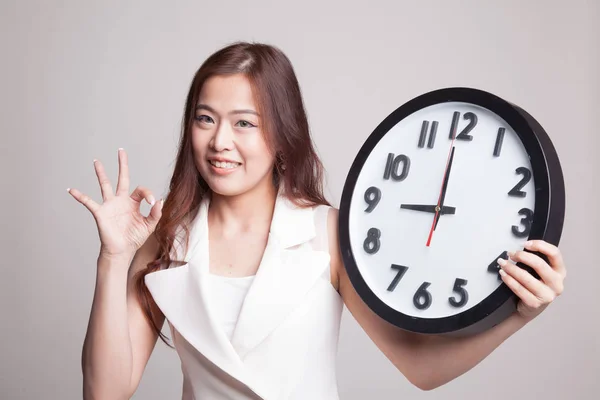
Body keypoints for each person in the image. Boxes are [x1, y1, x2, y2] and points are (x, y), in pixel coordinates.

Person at [70, 42, 567, 399]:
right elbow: (106, 391)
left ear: (282, 136)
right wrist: (113, 259)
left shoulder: (327, 232)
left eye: (245, 122)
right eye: (206, 118)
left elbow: (420, 368)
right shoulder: (166, 240)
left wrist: (518, 317)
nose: (220, 141)